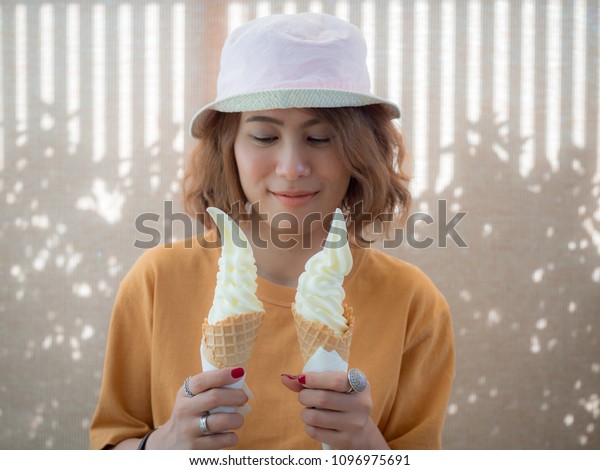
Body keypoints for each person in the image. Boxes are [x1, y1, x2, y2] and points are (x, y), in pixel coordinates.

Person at [90, 12, 454, 450]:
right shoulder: (157, 279)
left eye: (320, 139)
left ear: (361, 153)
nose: (291, 168)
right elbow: (110, 445)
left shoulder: (414, 301)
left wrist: (368, 449)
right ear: (230, 149)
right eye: (264, 137)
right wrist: (161, 447)